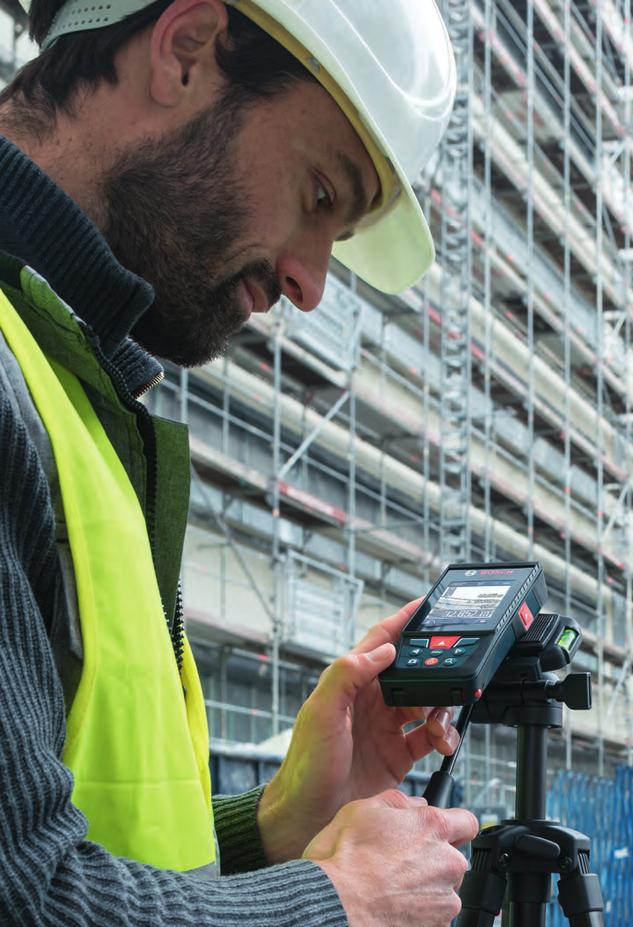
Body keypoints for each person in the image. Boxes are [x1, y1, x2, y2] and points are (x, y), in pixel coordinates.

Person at [0, 1, 478, 925]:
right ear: (185, 50)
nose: (310, 281)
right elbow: (24, 897)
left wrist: (274, 826)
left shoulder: (70, 391)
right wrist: (336, 902)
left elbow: (92, 850)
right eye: (320, 197)